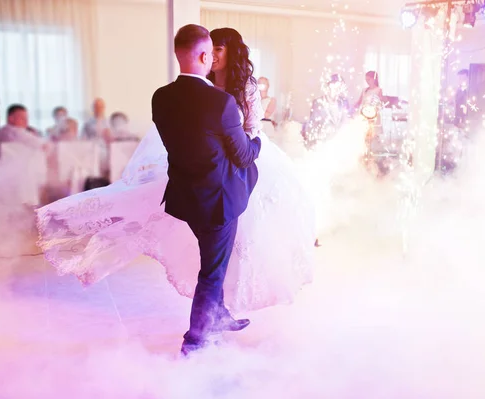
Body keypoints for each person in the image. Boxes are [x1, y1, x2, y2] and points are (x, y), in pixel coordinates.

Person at [35, 25, 316, 354]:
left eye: (219, 50)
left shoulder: (163, 96)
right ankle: (195, 340)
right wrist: (253, 141)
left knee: (221, 257)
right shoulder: (219, 102)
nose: (214, 56)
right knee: (213, 268)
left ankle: (220, 313)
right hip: (221, 192)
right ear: (203, 54)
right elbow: (241, 151)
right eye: (211, 50)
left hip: (190, 190)